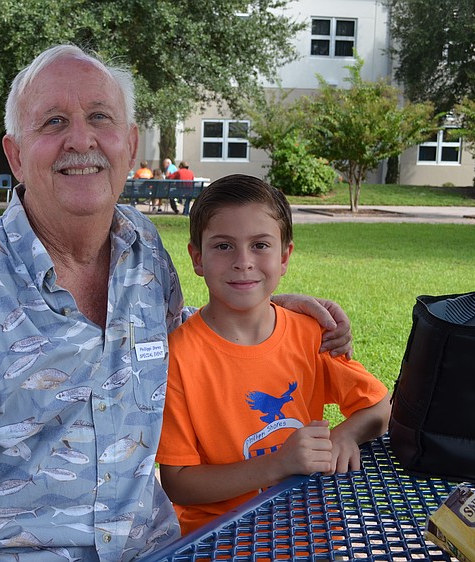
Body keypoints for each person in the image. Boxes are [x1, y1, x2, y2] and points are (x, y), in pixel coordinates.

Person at [0, 45, 352, 562]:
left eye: (99, 117)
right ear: (16, 154)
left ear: (129, 145)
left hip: (157, 548)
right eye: (54, 121)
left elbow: (176, 338)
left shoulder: (143, 247)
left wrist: (264, 310)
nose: (80, 139)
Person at [156, 174, 391, 536]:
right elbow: (179, 483)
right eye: (223, 246)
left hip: (310, 532)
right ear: (197, 257)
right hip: (220, 540)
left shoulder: (311, 333)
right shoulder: (179, 358)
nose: (243, 261)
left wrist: (343, 436)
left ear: (285, 257)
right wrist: (277, 464)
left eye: (260, 245)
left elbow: (379, 407)